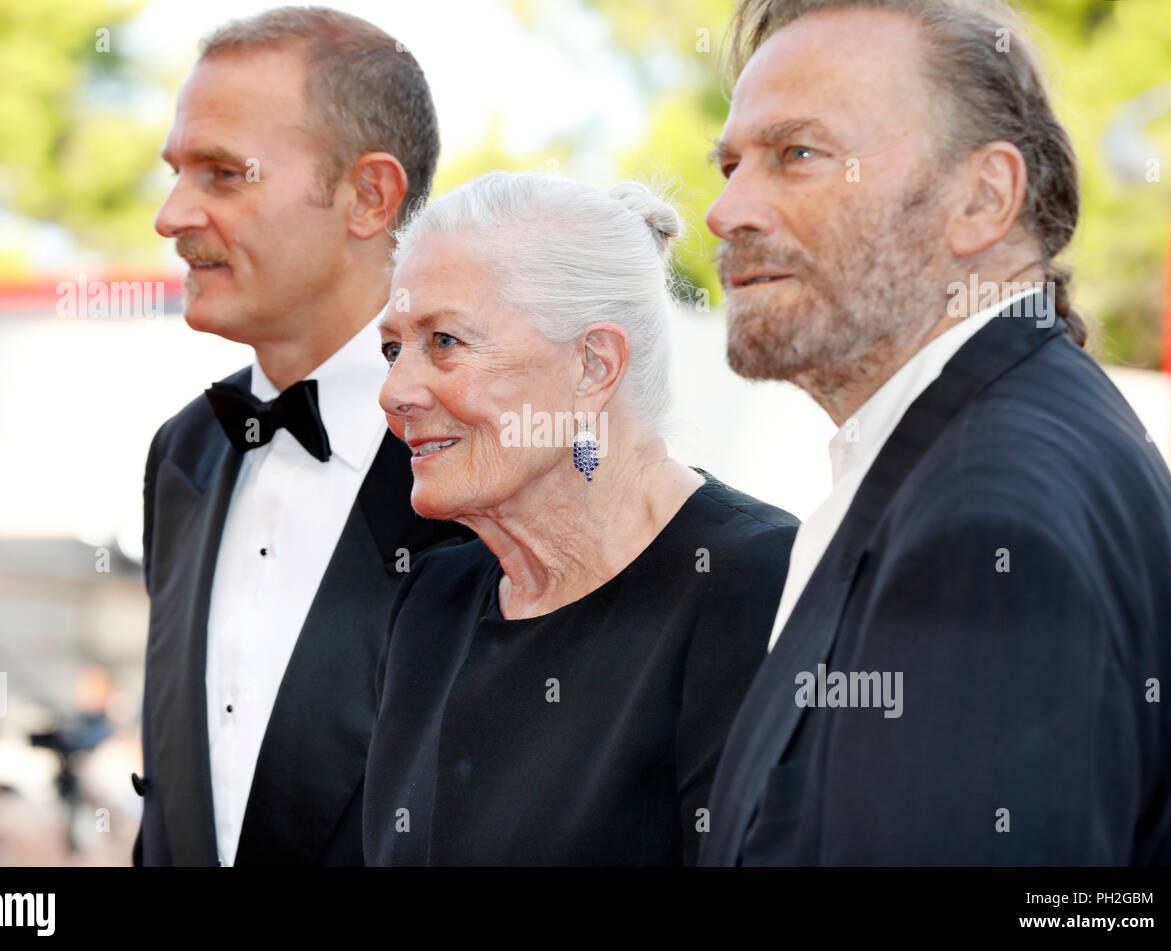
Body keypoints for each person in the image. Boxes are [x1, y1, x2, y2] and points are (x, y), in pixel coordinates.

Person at [701, 0, 1171, 865]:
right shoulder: (1021, 442)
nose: (729, 210)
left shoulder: (984, 522)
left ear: (982, 199)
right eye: (731, 164)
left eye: (799, 156)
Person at [364, 171, 799, 866]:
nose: (395, 392)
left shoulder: (761, 586)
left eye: (444, 341)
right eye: (393, 349)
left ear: (594, 366)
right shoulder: (432, 603)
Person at [134, 7, 464, 867]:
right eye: (176, 172)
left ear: (369, 196)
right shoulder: (183, 455)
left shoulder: (495, 452)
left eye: (222, 174)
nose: (171, 216)